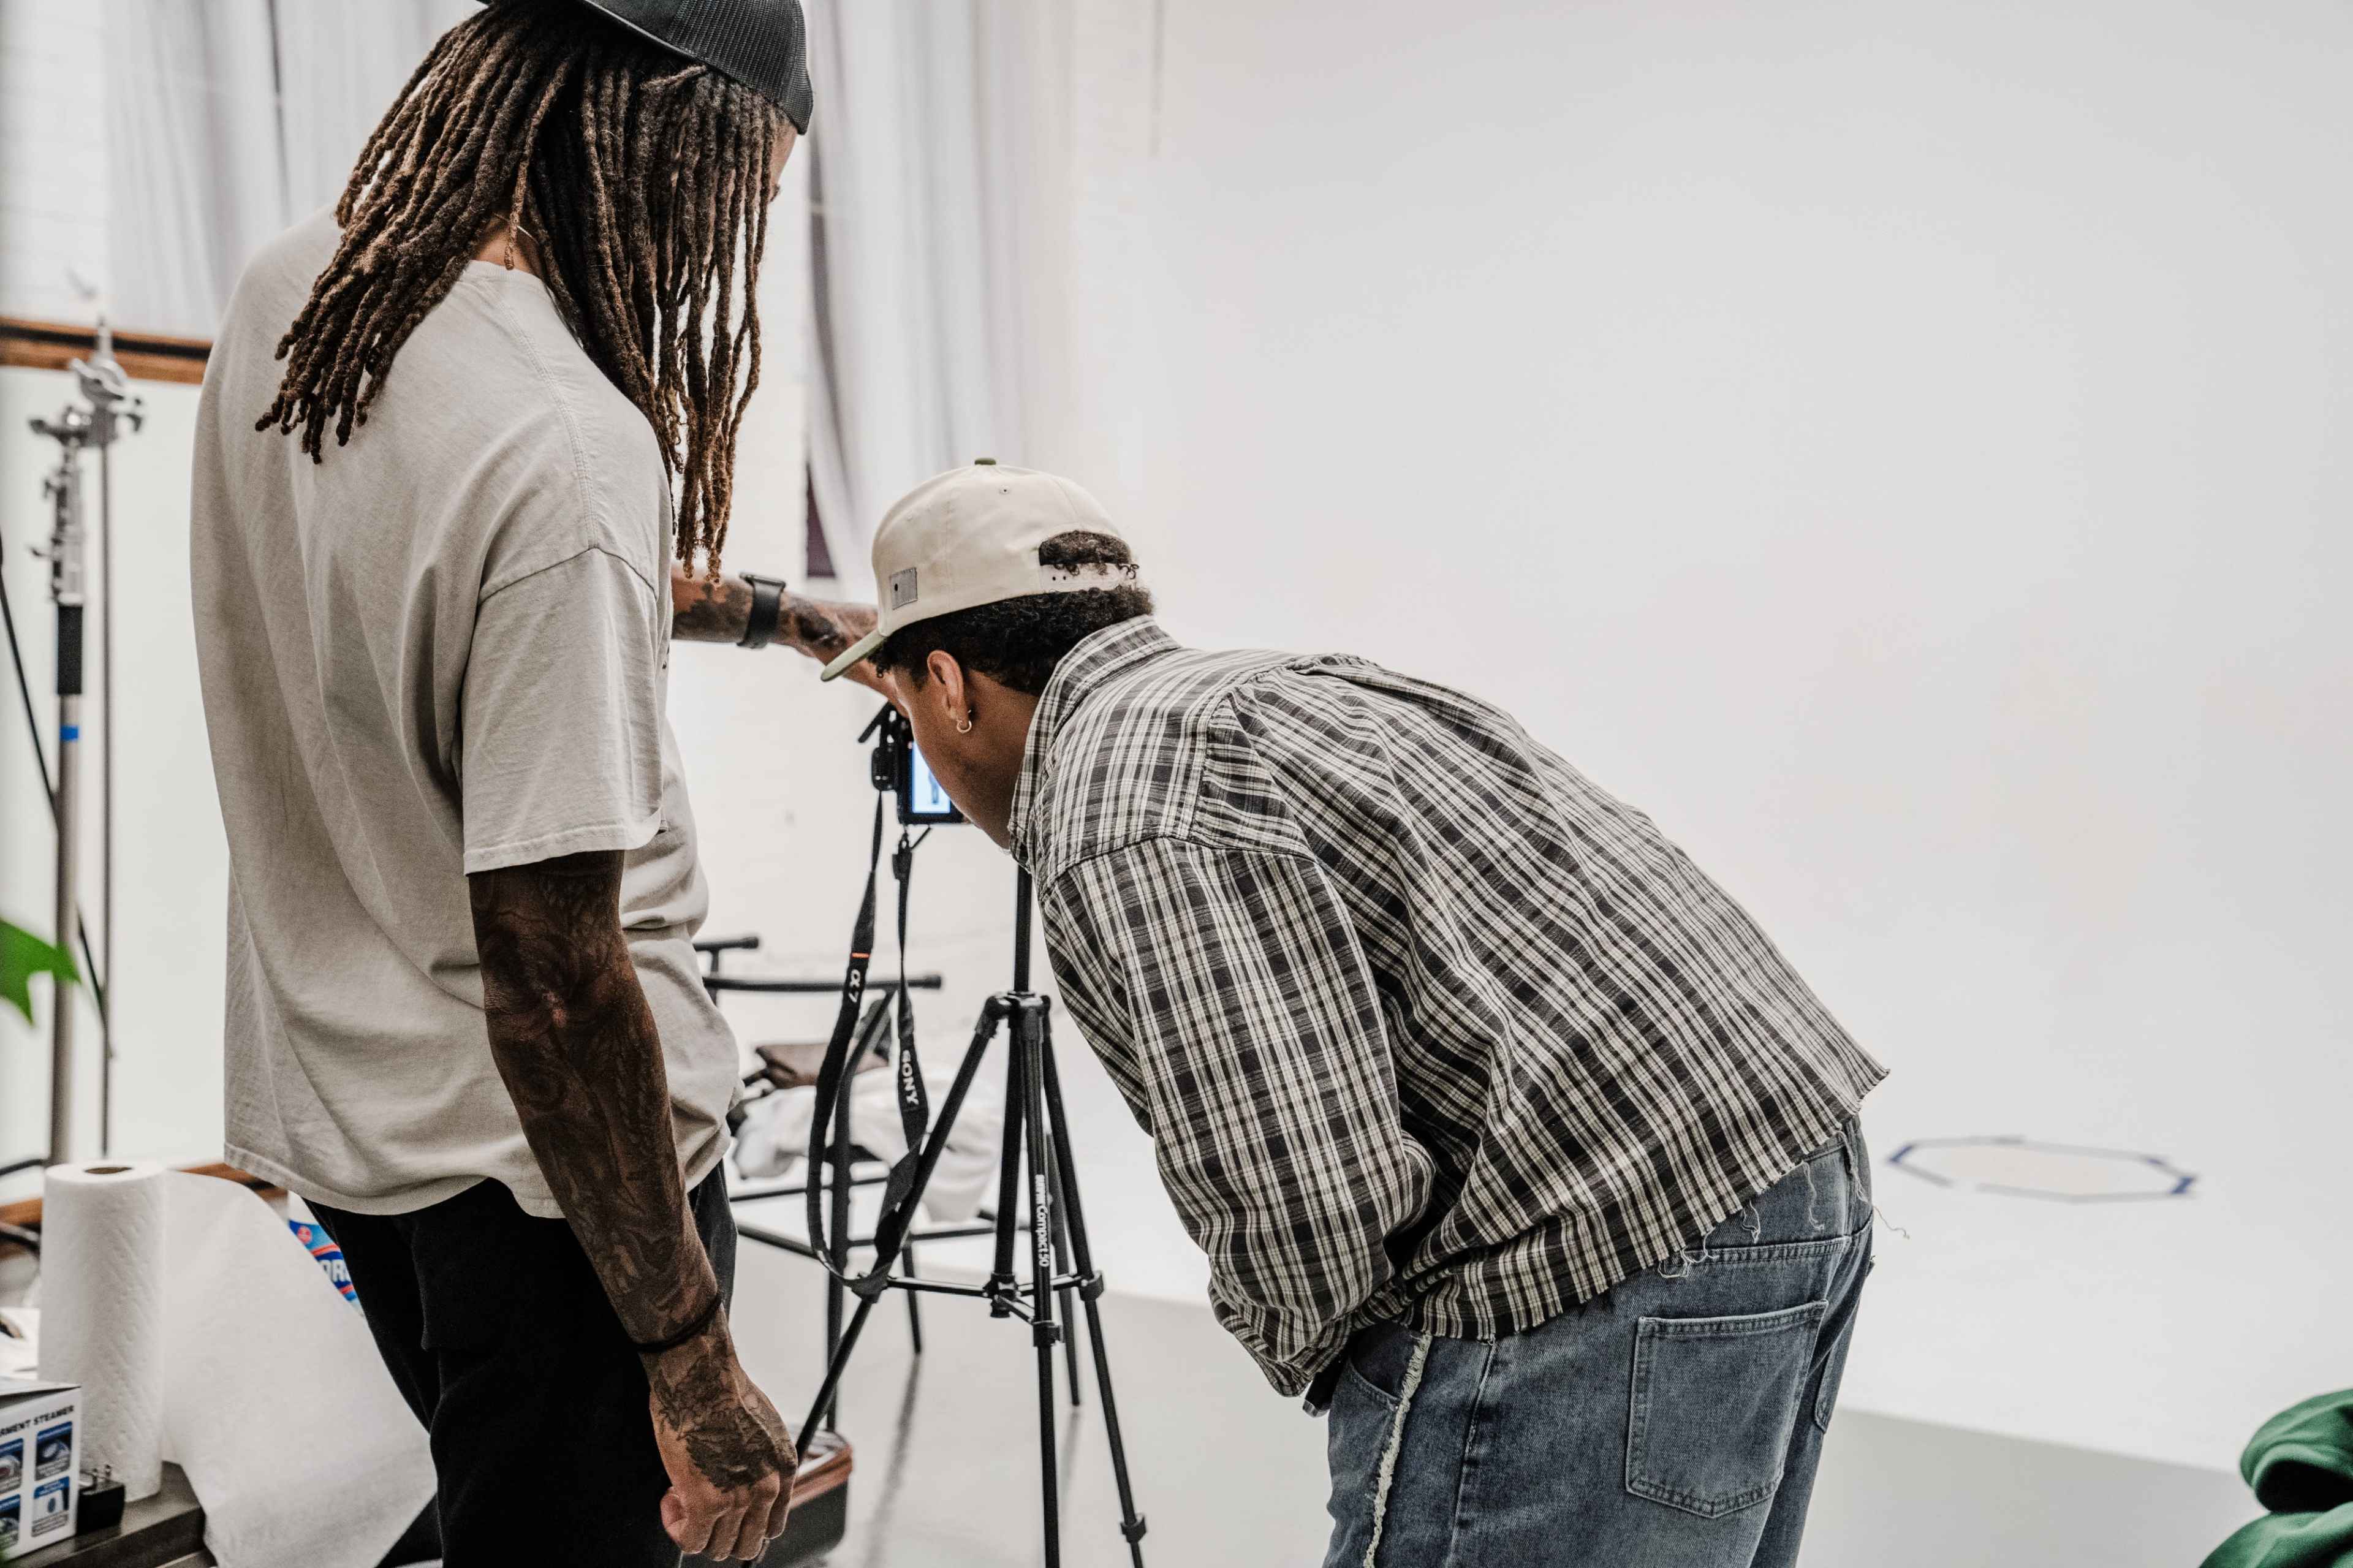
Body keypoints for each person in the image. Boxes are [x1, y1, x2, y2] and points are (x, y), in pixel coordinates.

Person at [814, 463, 1887, 1568]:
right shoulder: (1283, 687)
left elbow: (1304, 1195)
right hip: (1792, 1167)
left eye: (906, 708)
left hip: (1602, 1249)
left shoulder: (1113, 798)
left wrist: (1359, 1379)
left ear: (946, 684)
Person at [190, 2, 877, 1561]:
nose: (724, 252)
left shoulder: (307, 289)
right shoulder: (569, 442)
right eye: (742, 194)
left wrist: (770, 611)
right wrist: (691, 1355)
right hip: (561, 1186)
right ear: (669, 132)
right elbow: (559, 980)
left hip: (364, 1139)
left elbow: (434, 570)